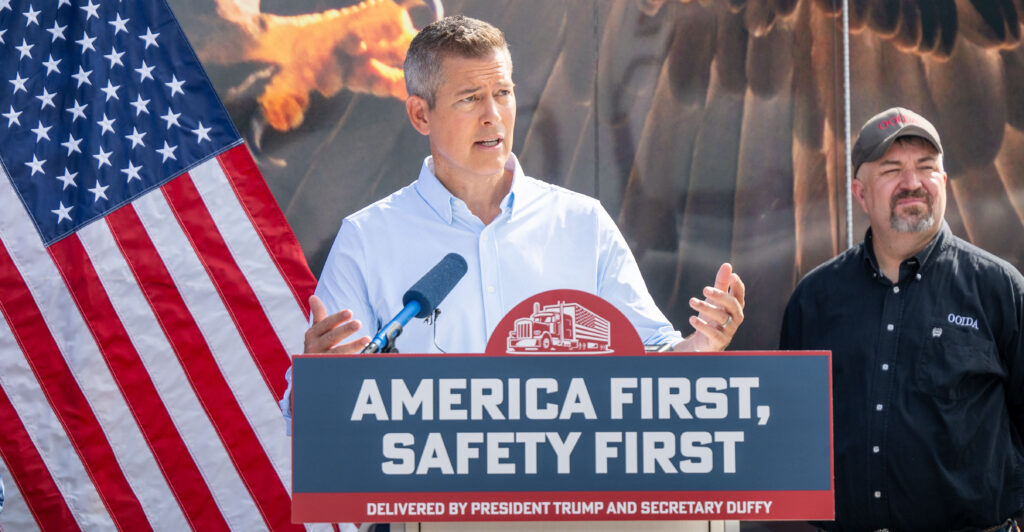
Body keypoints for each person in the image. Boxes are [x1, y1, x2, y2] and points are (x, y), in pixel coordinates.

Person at [780, 107, 1024, 531]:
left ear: (943, 182)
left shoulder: (1000, 290)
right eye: (892, 169)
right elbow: (791, 435)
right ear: (861, 193)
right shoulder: (814, 300)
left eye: (926, 168)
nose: (912, 183)